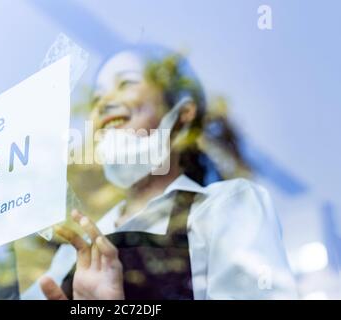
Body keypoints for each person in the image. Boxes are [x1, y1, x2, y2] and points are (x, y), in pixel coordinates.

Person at [22, 45, 298, 300]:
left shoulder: (225, 207)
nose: (104, 101)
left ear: (183, 111)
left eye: (126, 82)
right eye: (97, 97)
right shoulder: (73, 252)